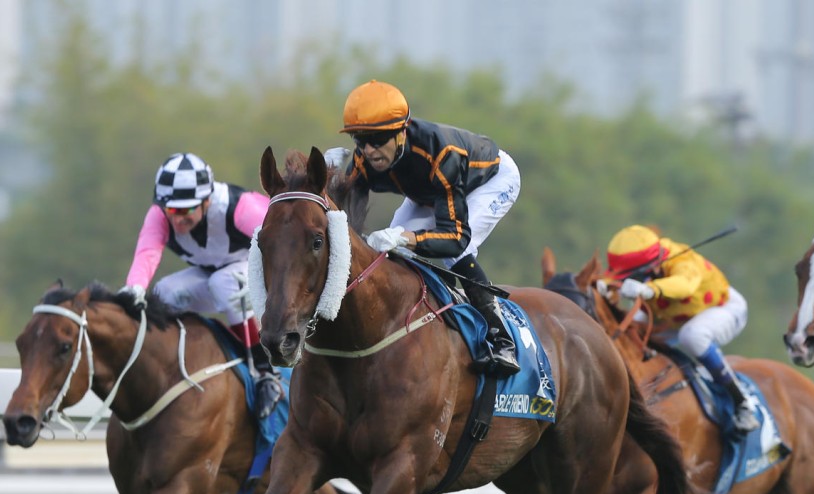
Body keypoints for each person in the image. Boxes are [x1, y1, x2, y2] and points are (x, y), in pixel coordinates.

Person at [326, 79, 521, 376]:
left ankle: (501, 340)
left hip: (489, 180)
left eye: (377, 139)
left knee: (456, 252)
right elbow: (349, 231)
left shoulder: (443, 155)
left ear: (401, 132)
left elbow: (455, 237)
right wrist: (334, 181)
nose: (369, 150)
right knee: (387, 255)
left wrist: (407, 237)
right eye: (360, 140)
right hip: (433, 190)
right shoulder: (364, 159)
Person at [120, 152, 283, 418]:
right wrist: (133, 290)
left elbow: (286, 238)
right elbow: (147, 253)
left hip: (257, 273)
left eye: (187, 209)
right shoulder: (159, 215)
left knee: (224, 283)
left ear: (207, 201)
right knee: (162, 294)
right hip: (213, 274)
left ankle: (265, 372)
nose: (178, 219)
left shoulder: (239, 207)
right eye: (172, 210)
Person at [604, 224, 759, 433]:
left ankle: (741, 402)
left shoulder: (682, 260)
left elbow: (685, 285)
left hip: (721, 308)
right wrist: (602, 287)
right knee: (630, 337)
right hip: (672, 318)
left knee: (693, 336)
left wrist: (649, 289)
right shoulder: (645, 264)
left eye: (631, 277)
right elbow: (608, 279)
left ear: (652, 266)